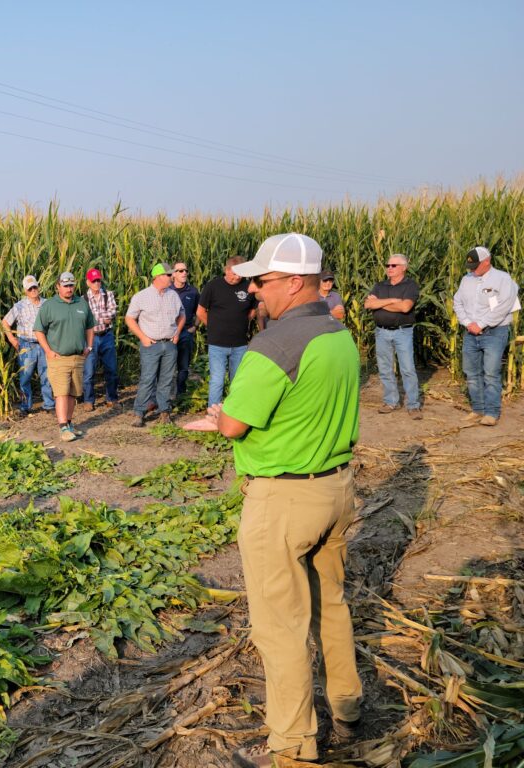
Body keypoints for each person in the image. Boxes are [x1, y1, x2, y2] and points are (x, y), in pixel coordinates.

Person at [199, 234, 362, 767]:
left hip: (285, 499)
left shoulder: (275, 345)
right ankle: (347, 705)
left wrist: (220, 415)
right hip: (336, 487)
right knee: (330, 605)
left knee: (280, 626)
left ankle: (293, 745)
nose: (253, 291)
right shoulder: (338, 333)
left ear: (294, 283)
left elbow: (233, 425)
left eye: (261, 281)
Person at [452, 246, 521, 426]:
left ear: (487, 261)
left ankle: (491, 412)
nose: (472, 270)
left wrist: (481, 324)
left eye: (475, 266)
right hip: (470, 332)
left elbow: (504, 306)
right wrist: (468, 323)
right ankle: (478, 409)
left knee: (491, 373)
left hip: (495, 332)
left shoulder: (503, 279)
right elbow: (457, 302)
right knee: (471, 373)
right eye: (470, 266)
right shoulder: (466, 279)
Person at [34, 272, 95, 442]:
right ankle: (62, 428)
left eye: (71, 285)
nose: (69, 289)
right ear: (58, 286)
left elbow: (90, 327)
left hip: (78, 357)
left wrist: (89, 346)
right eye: (65, 285)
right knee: (61, 393)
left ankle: (69, 424)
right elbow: (38, 330)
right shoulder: (49, 306)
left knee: (73, 394)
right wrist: (48, 351)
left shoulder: (81, 303)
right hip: (58, 358)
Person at [125, 262, 186, 427]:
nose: (172, 277)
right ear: (158, 277)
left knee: (167, 379)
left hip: (170, 344)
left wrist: (177, 333)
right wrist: (143, 337)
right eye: (169, 275)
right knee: (148, 379)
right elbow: (129, 318)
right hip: (150, 345)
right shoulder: (141, 296)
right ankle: (139, 412)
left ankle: (164, 411)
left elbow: (182, 315)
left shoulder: (173, 295)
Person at [365, 253, 422, 419]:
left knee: (407, 369)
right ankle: (391, 401)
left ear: (404, 268)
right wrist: (392, 300)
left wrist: (379, 303)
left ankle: (413, 405)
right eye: (388, 265)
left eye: (393, 265)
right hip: (381, 332)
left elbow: (405, 307)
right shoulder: (380, 285)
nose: (389, 268)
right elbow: (368, 304)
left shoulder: (410, 286)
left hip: (402, 332)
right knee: (385, 369)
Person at [197, 256, 258, 406]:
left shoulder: (248, 287)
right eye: (234, 274)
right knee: (217, 380)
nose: (237, 278)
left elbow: (254, 309)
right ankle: (213, 412)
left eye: (240, 274)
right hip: (217, 344)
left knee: (237, 380)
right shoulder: (213, 286)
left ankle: (233, 410)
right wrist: (214, 327)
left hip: (240, 344)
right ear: (227, 270)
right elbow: (200, 311)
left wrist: (243, 321)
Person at [2, 275, 54, 417]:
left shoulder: (47, 304)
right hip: (26, 344)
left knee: (46, 375)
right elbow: (5, 322)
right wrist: (12, 339)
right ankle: (26, 406)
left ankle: (49, 404)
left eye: (34, 287)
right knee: (25, 376)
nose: (33, 290)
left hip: (44, 344)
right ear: (25, 291)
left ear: (38, 287)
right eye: (30, 289)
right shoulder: (19, 306)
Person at [81, 268, 119, 410]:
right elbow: (84, 318)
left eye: (98, 280)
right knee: (89, 371)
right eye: (93, 281)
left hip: (107, 335)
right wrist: (103, 318)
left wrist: (95, 318)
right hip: (91, 337)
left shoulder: (108, 294)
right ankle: (89, 400)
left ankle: (111, 398)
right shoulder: (83, 299)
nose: (97, 283)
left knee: (111, 369)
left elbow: (112, 313)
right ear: (88, 282)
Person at [170, 261, 200, 400]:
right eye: (180, 271)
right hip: (168, 333)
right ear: (173, 274)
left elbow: (200, 310)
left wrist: (195, 326)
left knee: (183, 366)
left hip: (185, 333)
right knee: (167, 366)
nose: (184, 273)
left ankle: (180, 395)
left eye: (186, 270)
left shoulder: (193, 291)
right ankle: (165, 396)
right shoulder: (167, 290)